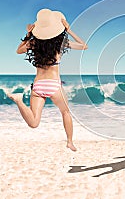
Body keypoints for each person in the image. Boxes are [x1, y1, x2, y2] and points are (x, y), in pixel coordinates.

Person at [8, 8, 88, 151]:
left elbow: (18, 50)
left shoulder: (33, 44)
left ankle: (19, 101)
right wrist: (69, 30)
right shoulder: (60, 45)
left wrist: (28, 34)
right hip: (54, 86)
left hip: (38, 86)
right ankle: (69, 141)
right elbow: (84, 46)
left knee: (34, 122)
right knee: (66, 112)